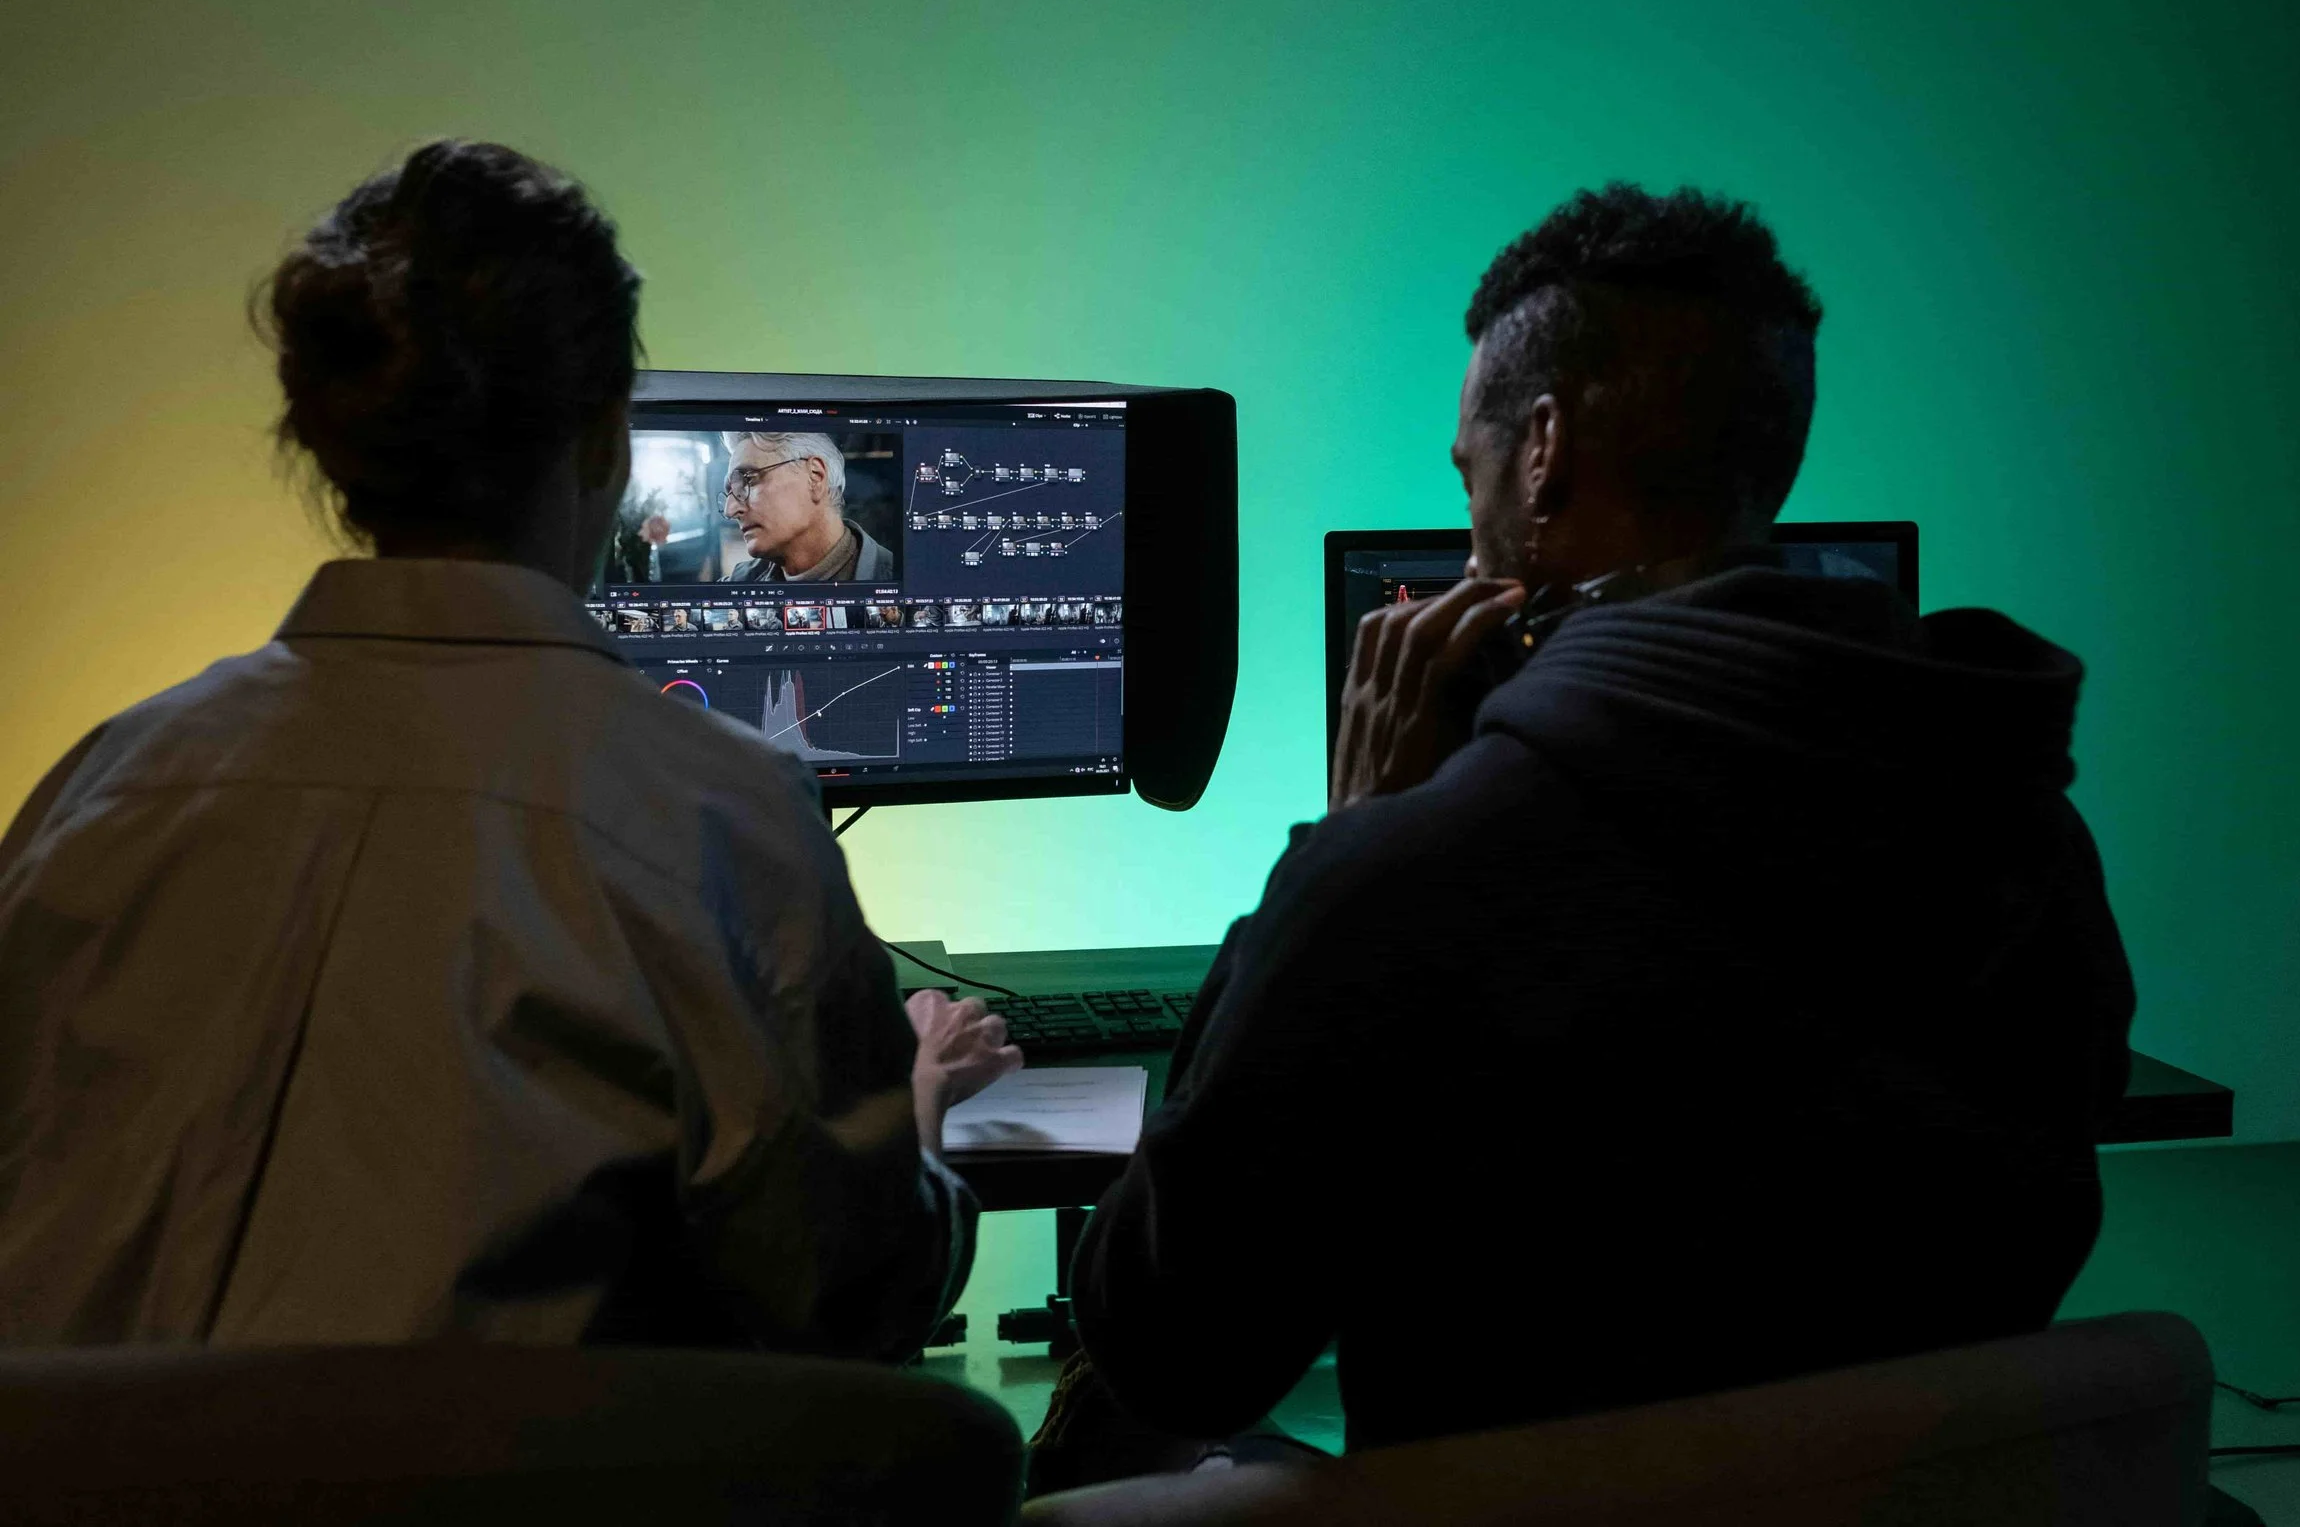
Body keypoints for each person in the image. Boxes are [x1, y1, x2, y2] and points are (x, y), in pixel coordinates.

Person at [1060, 184, 2137, 1456]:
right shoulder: (2023, 823)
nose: (1469, 524)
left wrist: (1338, 842)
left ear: (1543, 449)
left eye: (1467, 469)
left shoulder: (1410, 875)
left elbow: (1173, 1351)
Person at [0, 140, 1017, 1351]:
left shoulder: (101, 789)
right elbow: (852, 1295)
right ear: (601, 441)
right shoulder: (720, 814)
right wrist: (917, 1104)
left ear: (326, 444)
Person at [721, 431, 896, 582]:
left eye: (749, 480)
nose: (730, 511)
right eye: (731, 493)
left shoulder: (898, 576)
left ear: (815, 477)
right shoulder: (736, 586)